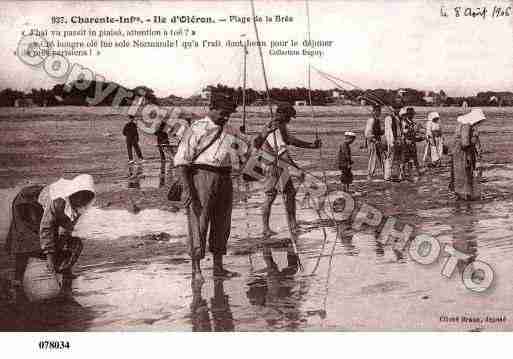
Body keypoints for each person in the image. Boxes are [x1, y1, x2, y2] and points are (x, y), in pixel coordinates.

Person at [174, 93, 249, 282]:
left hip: (225, 178)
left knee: (222, 223)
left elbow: (248, 149)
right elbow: (182, 161)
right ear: (212, 108)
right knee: (199, 222)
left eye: (229, 115)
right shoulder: (196, 129)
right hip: (201, 177)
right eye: (223, 113)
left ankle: (218, 267)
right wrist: (188, 189)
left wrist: (264, 132)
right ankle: (196, 270)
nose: (226, 117)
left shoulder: (231, 130)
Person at [4, 174, 95, 297]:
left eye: (85, 198)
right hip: (27, 203)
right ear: (74, 193)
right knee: (24, 240)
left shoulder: (80, 205)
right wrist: (49, 256)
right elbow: (47, 227)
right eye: (80, 197)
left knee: (71, 242)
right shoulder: (57, 200)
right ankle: (17, 280)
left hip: (44, 207)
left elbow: (67, 228)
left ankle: (64, 270)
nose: (81, 201)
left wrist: (61, 244)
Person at [260, 102, 321, 237]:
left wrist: (311, 145)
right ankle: (265, 228)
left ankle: (293, 224)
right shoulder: (273, 127)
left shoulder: (281, 126)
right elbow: (282, 153)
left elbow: (290, 140)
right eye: (288, 117)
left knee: (290, 193)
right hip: (272, 165)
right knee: (270, 196)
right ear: (282, 114)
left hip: (279, 164)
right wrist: (296, 167)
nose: (289, 120)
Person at [449, 108, 486, 200]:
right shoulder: (466, 126)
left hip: (461, 151)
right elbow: (465, 143)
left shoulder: (468, 125)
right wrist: (471, 155)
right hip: (462, 152)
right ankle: (465, 195)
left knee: (462, 172)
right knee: (464, 172)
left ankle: (462, 194)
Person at [399, 107, 422, 179]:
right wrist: (414, 129)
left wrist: (418, 131)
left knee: (413, 158)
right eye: (411, 114)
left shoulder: (412, 122)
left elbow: (414, 133)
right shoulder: (404, 122)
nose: (412, 116)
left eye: (412, 114)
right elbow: (405, 132)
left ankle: (411, 172)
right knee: (404, 159)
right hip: (406, 142)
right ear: (407, 115)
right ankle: (402, 173)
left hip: (412, 142)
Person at [383, 102, 403, 181]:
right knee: (390, 158)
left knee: (398, 159)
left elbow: (400, 130)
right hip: (392, 141)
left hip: (399, 140)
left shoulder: (399, 118)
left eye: (399, 108)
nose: (397, 110)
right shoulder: (389, 118)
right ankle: (387, 176)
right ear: (393, 109)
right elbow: (388, 131)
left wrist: (401, 139)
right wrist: (391, 142)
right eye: (396, 108)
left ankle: (397, 175)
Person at [364, 104, 384, 180]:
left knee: (382, 157)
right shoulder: (371, 120)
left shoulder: (377, 120)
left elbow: (378, 132)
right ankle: (370, 175)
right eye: (377, 111)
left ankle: (385, 172)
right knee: (373, 158)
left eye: (379, 111)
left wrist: (383, 131)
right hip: (373, 141)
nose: (379, 112)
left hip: (378, 140)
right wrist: (374, 140)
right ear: (374, 111)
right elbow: (367, 133)